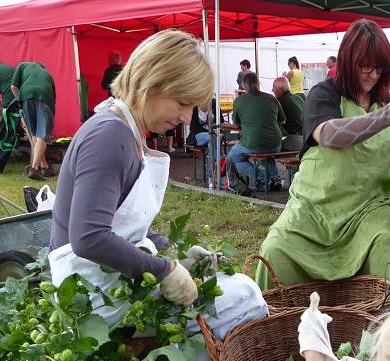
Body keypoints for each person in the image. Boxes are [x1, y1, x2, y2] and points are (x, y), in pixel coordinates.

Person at [49, 30, 266, 340]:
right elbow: (88, 238)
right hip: (94, 297)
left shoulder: (125, 131)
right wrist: (163, 271)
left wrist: (174, 250)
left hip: (106, 280)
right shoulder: (110, 137)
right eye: (181, 102)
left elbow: (123, 227)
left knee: (231, 291)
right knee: (245, 295)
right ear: (151, 82)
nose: (186, 118)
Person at [255, 19, 390, 292]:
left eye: (379, 67)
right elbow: (331, 136)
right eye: (364, 66)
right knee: (275, 251)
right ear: (348, 62)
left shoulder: (386, 100)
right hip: (316, 208)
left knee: (388, 246)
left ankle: (385, 327)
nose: (372, 74)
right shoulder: (324, 94)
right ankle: (280, 326)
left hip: (370, 210)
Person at [227, 72, 284, 192]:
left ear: (243, 85)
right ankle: (275, 178)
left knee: (233, 156)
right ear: (258, 83)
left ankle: (262, 178)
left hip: (252, 143)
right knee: (267, 154)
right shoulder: (272, 98)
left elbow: (236, 124)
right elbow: (282, 121)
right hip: (275, 143)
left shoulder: (239, 101)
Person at [11, 61, 56, 180]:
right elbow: (53, 98)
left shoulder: (22, 65)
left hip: (26, 96)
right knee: (42, 135)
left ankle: (43, 167)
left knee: (34, 134)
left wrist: (20, 101)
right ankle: (35, 168)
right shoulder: (48, 74)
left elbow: (13, 87)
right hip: (45, 98)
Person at [272, 76, 303, 151]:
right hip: (308, 138)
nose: (272, 90)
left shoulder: (279, 102)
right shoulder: (298, 98)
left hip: (296, 140)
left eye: (274, 89)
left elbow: (273, 122)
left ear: (281, 90)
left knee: (268, 147)